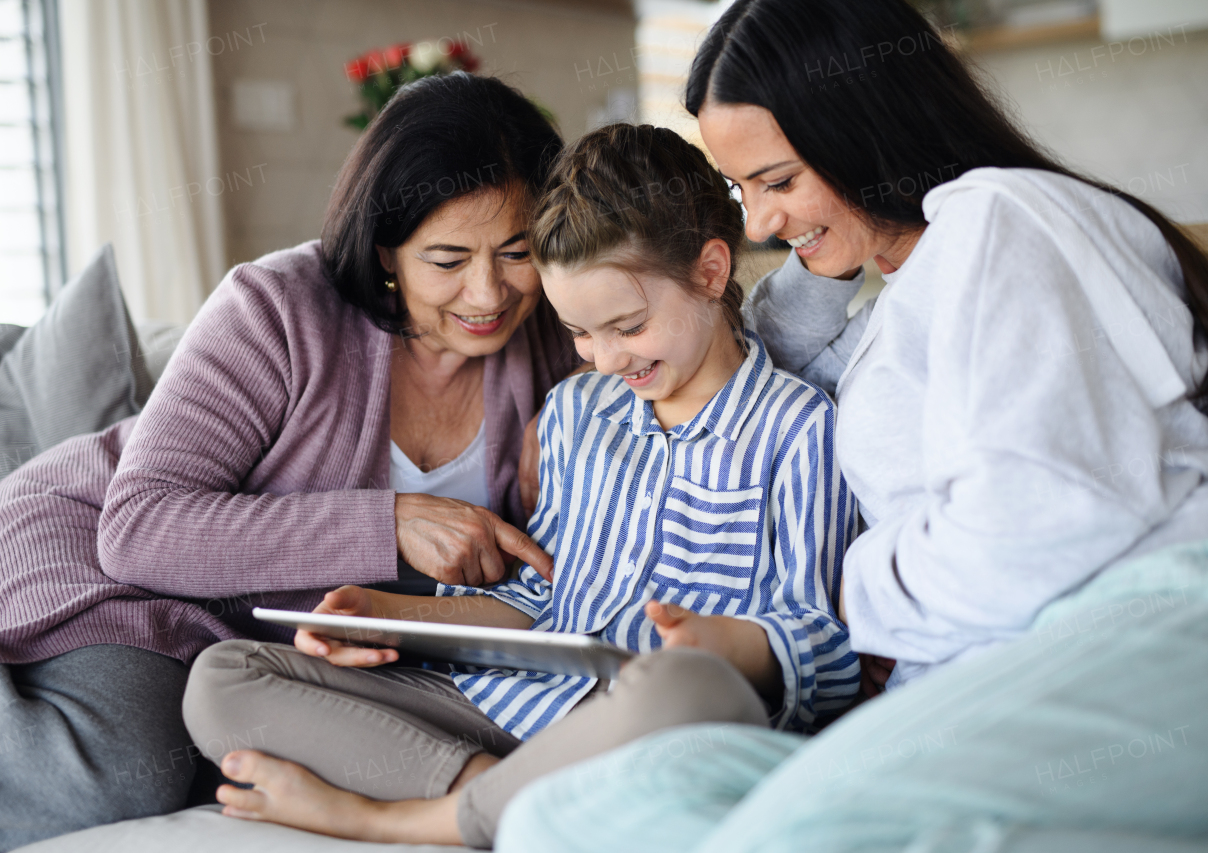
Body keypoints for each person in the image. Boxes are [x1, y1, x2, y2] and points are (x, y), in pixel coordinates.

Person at [490, 0, 1208, 848]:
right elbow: (766, 344)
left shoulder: (999, 222)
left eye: (779, 181)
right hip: (963, 676)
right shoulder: (901, 295)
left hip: (1129, 625)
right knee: (561, 814)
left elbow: (1041, 527)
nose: (756, 222)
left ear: (868, 128)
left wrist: (849, 594)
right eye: (741, 188)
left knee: (796, 833)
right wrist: (829, 243)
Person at [0, 73, 575, 851]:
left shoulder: (558, 334)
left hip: (257, 635)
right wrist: (390, 521)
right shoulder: (276, 307)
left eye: (518, 251)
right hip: (95, 549)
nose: (489, 291)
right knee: (129, 766)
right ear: (386, 251)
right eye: (448, 259)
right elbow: (138, 527)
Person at [180, 122, 860, 849]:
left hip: (653, 721)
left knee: (688, 687)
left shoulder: (800, 429)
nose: (604, 360)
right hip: (513, 709)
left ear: (711, 272)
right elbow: (541, 599)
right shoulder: (578, 412)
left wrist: (724, 641)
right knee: (223, 676)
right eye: (580, 333)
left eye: (627, 326)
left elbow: (824, 644)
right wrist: (388, 613)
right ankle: (497, 793)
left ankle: (400, 816)